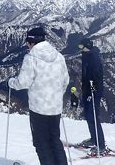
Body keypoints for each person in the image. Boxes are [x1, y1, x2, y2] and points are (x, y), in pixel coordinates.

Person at [8, 27, 69, 165]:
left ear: (31, 42)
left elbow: (23, 82)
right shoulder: (59, 56)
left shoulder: (31, 58)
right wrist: (57, 96)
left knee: (41, 143)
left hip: (38, 108)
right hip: (55, 108)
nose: (26, 45)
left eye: (27, 42)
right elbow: (65, 81)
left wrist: (11, 82)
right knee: (55, 140)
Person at [79, 37, 108, 156]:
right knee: (88, 115)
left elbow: (96, 75)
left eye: (81, 47)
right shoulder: (86, 55)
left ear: (87, 46)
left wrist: (93, 91)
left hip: (93, 91)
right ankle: (93, 139)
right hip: (87, 90)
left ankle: (101, 145)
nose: (80, 49)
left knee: (94, 116)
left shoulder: (93, 57)